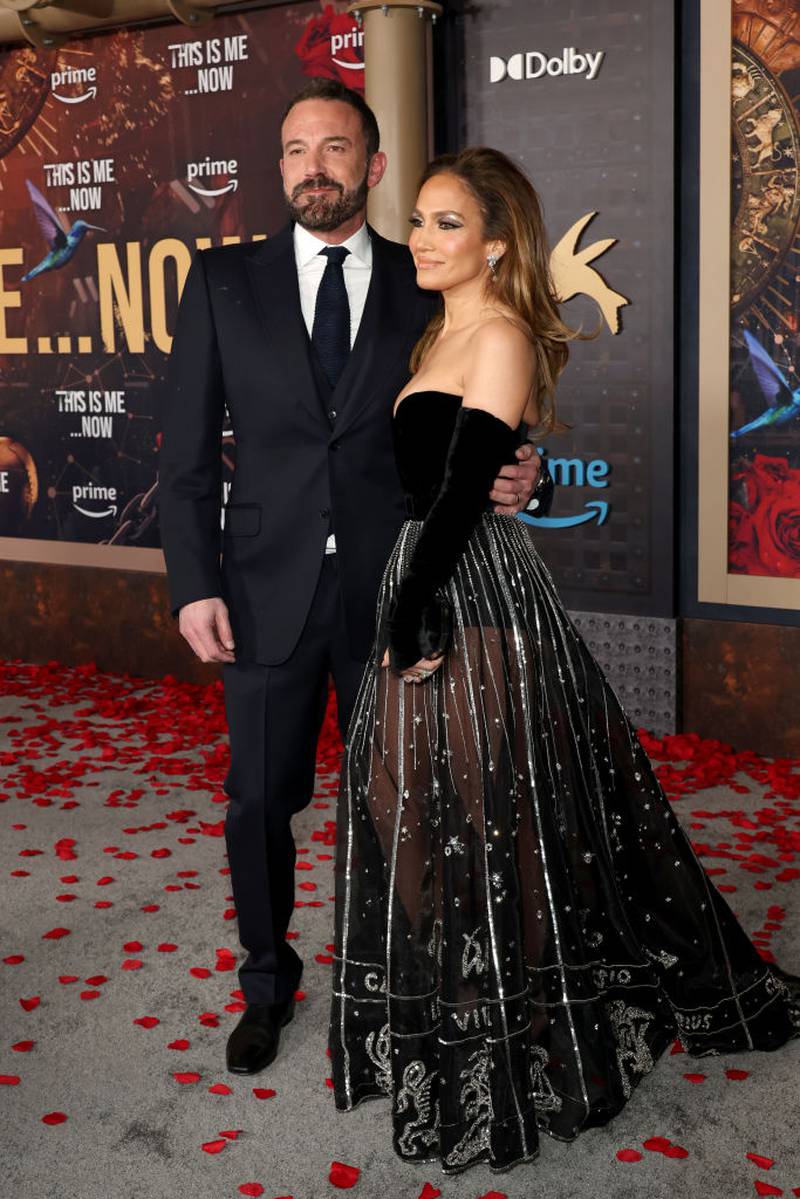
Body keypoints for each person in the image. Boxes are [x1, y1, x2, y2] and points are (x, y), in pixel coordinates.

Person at [328, 146, 800, 1174]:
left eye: (445, 222)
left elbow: (459, 499)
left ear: (496, 243)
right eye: (418, 218)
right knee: (405, 803)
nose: (419, 235)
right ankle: (465, 1012)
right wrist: (512, 485)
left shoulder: (495, 332)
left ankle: (523, 1037)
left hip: (469, 599)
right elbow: (459, 473)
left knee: (488, 817)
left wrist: (410, 618)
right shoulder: (431, 330)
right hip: (422, 575)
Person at [158, 80, 549, 1077]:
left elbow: (479, 431)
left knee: (414, 802)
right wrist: (192, 582)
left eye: (336, 147)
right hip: (260, 587)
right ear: (278, 165)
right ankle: (265, 985)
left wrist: (522, 474)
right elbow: (188, 453)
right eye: (295, 149)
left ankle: (423, 985)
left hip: (397, 590)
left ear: (371, 166)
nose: (313, 164)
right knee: (256, 799)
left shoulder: (430, 283)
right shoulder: (220, 282)